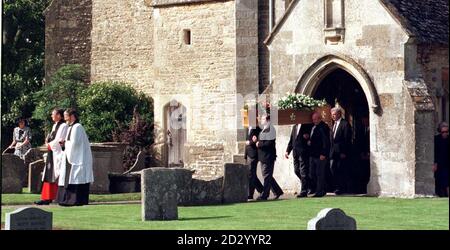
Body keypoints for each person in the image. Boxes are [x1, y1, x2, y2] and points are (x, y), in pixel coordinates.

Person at [57, 109, 94, 206]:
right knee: (70, 177)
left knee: (76, 177)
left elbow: (75, 144)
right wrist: (64, 144)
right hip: (72, 156)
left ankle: (75, 200)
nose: (64, 118)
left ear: (72, 116)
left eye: (66, 115)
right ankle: (67, 199)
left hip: (79, 157)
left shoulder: (78, 127)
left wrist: (65, 143)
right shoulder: (70, 127)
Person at [35, 109, 68, 205]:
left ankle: (55, 197)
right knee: (49, 174)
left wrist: (49, 144)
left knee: (56, 174)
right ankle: (46, 197)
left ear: (59, 115)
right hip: (52, 152)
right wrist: (47, 141)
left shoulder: (63, 126)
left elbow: (60, 139)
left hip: (57, 153)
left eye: (53, 114)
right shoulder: (55, 125)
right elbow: (52, 137)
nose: (51, 116)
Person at [256, 114, 284, 201]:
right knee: (267, 176)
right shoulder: (264, 129)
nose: (261, 120)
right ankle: (277, 191)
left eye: (263, 119)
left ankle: (265, 194)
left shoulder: (271, 130)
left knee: (267, 176)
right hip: (263, 156)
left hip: (268, 156)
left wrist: (259, 144)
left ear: (267, 120)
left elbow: (268, 143)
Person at [285, 123, 313, 198]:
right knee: (296, 170)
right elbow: (292, 140)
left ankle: (304, 191)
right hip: (295, 153)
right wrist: (287, 150)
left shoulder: (307, 125)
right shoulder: (294, 127)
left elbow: (312, 136)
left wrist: (308, 137)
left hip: (303, 152)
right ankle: (309, 185)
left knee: (303, 171)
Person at [329, 107, 352, 195]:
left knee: (340, 170)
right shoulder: (333, 125)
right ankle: (336, 186)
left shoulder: (345, 124)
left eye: (334, 114)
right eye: (332, 115)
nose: (333, 116)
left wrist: (344, 152)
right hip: (333, 152)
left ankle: (341, 188)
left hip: (341, 152)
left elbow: (347, 139)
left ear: (339, 114)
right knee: (332, 168)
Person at [307, 112, 330, 197]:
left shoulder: (323, 127)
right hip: (313, 154)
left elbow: (326, 141)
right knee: (312, 173)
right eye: (313, 120)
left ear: (320, 118)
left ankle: (320, 191)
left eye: (315, 119)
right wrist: (310, 141)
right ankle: (320, 189)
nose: (314, 121)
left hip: (320, 155)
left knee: (319, 174)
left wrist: (323, 153)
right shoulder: (314, 127)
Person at [245, 117, 263, 200]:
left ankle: (250, 194)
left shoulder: (258, 129)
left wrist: (251, 142)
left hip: (253, 154)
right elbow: (247, 141)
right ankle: (261, 189)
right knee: (251, 175)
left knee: (251, 175)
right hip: (248, 154)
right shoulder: (248, 128)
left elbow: (259, 140)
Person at [433, 122, 449, 197]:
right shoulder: (436, 139)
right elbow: (435, 152)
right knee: (439, 180)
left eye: (446, 132)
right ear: (440, 131)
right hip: (439, 164)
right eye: (443, 132)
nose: (445, 133)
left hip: (447, 164)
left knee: (447, 181)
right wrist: (435, 163)